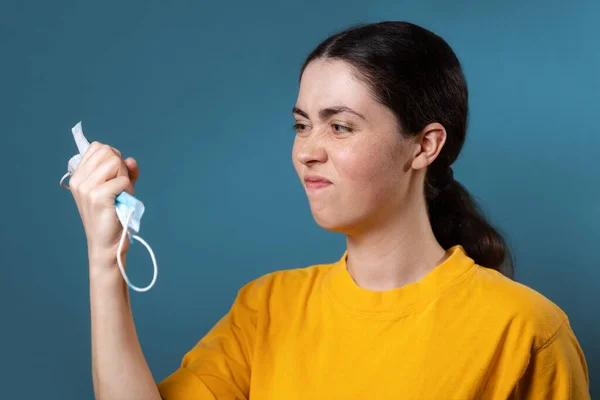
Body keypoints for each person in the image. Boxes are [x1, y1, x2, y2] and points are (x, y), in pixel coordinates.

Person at [70, 21, 590, 399]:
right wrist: (104, 257)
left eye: (339, 126)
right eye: (302, 124)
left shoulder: (525, 332)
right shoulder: (267, 308)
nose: (307, 150)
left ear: (424, 146)